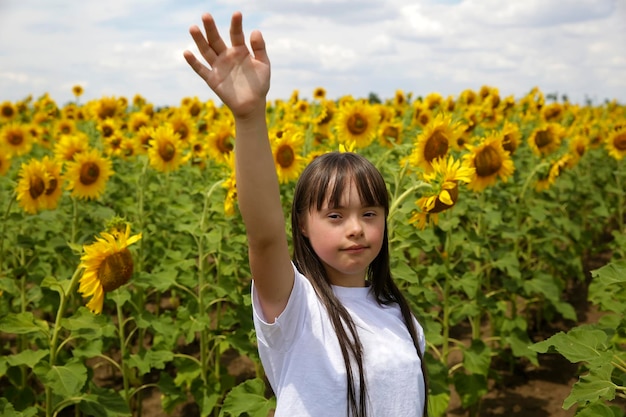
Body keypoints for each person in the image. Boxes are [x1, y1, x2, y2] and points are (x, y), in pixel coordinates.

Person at [183, 11, 428, 417]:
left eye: (369, 213)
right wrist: (248, 117)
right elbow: (263, 235)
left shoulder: (398, 314)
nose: (356, 229)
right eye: (335, 216)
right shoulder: (296, 307)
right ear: (302, 224)